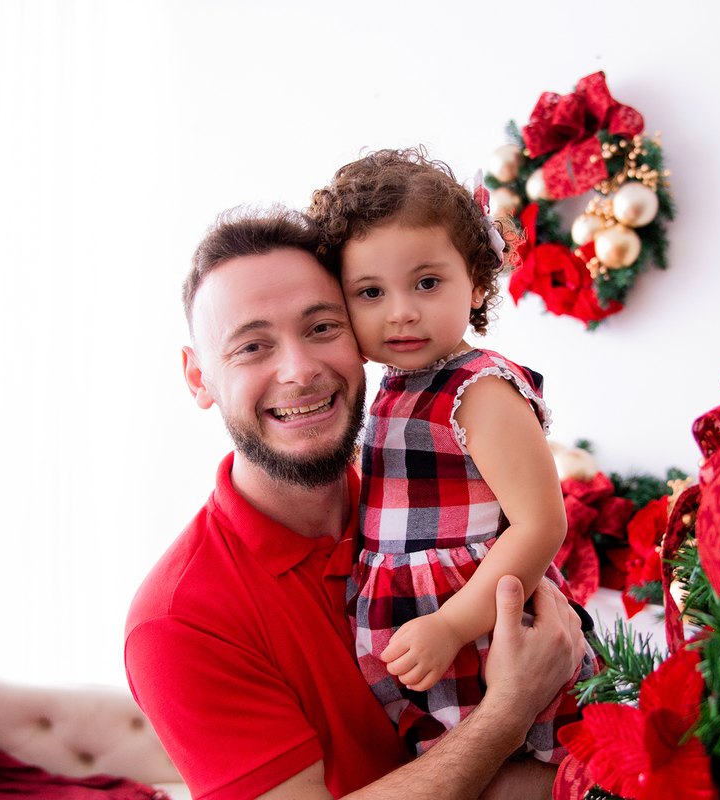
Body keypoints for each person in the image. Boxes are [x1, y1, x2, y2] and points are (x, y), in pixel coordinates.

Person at [123, 206, 587, 800]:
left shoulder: (436, 485)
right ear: (198, 379)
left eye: (322, 327)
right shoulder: (179, 621)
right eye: (252, 347)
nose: (300, 370)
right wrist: (507, 714)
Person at [306, 149, 596, 762]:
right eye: (369, 292)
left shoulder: (479, 390)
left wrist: (452, 625)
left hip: (480, 621)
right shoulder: (389, 385)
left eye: (427, 282)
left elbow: (543, 523)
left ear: (479, 281)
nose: (401, 310)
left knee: (512, 769)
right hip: (415, 624)